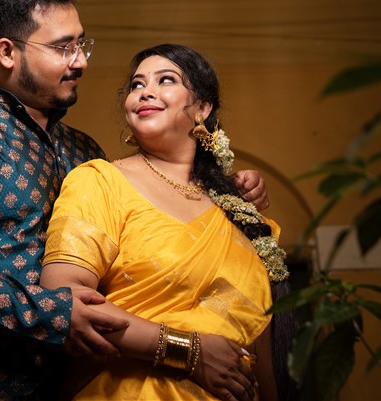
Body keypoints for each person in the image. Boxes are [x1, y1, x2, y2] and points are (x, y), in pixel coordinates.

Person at [0, 0, 269, 401]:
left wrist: (225, 189)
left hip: (55, 384)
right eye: (63, 47)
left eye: (81, 44)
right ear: (8, 52)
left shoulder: (82, 150)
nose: (80, 61)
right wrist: (45, 312)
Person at [41, 43, 293, 401]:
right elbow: (63, 299)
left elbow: (261, 342)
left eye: (166, 80)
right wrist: (188, 351)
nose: (146, 91)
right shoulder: (100, 182)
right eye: (137, 84)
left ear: (202, 108)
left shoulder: (237, 211)